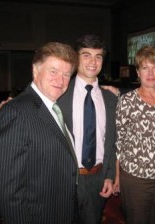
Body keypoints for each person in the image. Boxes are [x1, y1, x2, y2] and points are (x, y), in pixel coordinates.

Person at [0, 42, 79, 223]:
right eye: (53, 71)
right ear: (35, 71)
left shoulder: (56, 107)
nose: (60, 80)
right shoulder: (15, 111)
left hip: (62, 209)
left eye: (66, 74)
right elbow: (8, 190)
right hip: (38, 215)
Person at [57, 34, 118, 224]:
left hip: (97, 179)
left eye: (98, 56)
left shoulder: (111, 99)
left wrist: (109, 176)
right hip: (64, 178)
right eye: (86, 55)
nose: (93, 61)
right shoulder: (59, 92)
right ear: (76, 58)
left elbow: (114, 141)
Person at [114, 46, 155, 224]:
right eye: (145, 67)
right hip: (135, 179)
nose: (150, 72)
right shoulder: (127, 101)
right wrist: (117, 176)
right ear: (138, 72)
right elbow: (119, 141)